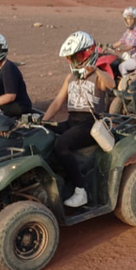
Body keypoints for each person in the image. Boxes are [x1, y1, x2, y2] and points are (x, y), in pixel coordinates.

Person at [42, 31, 115, 208]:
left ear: (89, 53)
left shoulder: (98, 77)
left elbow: (111, 84)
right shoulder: (71, 77)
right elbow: (58, 102)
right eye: (71, 58)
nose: (75, 62)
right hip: (72, 121)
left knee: (62, 144)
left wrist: (97, 69)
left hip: (90, 124)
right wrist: (42, 122)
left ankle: (81, 191)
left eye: (79, 56)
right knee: (43, 134)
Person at [111, 6, 136, 77]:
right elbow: (120, 42)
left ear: (135, 20)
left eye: (131, 19)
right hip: (127, 57)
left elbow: (132, 46)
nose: (129, 21)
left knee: (122, 66)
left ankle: (126, 84)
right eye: (128, 19)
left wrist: (122, 50)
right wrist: (107, 46)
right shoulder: (127, 32)